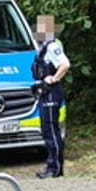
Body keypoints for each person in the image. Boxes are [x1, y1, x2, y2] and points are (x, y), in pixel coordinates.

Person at [31, 15, 70, 179]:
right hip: (45, 92)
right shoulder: (43, 47)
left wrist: (54, 79)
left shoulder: (53, 46)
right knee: (46, 130)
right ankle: (51, 164)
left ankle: (56, 167)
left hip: (52, 92)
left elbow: (65, 64)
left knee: (51, 130)